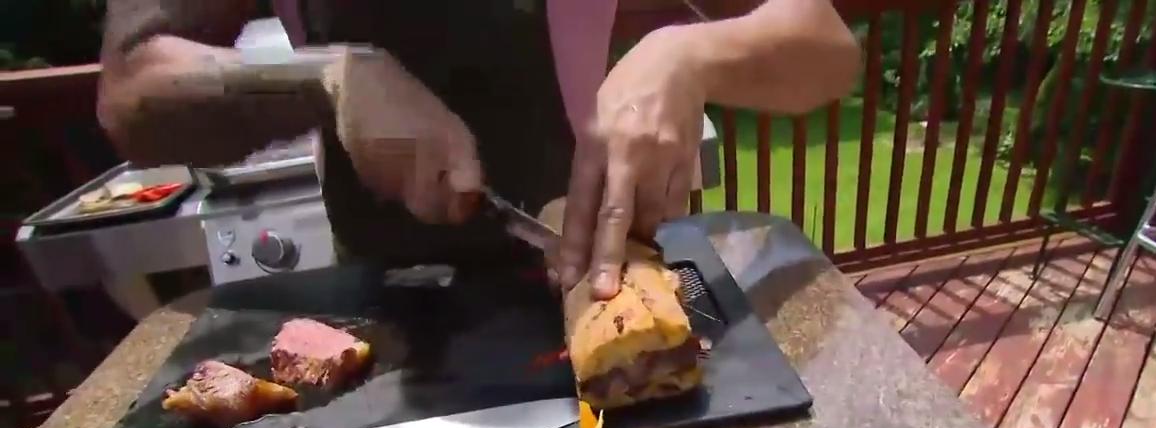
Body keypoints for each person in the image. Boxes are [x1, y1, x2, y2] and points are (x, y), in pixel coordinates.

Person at [97, 0, 859, 299]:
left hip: (609, 263)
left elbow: (823, 44)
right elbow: (133, 86)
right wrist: (325, 78)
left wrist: (694, 53)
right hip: (388, 305)